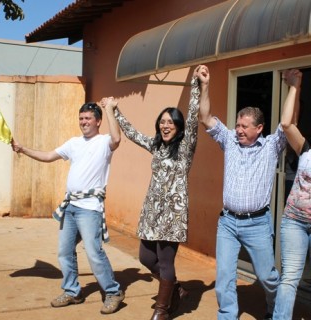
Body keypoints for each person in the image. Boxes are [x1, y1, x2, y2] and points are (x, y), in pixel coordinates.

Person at [100, 66, 201, 320]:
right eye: (162, 122)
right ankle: (175, 289)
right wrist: (115, 111)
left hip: (172, 215)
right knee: (146, 258)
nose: (165, 125)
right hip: (151, 211)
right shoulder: (156, 145)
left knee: (166, 263)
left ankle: (162, 310)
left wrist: (198, 85)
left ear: (178, 127)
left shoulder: (185, 148)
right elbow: (132, 134)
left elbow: (192, 117)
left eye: (170, 122)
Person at [11, 101, 125, 315]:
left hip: (90, 208)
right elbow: (47, 156)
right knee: (64, 252)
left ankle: (113, 292)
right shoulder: (73, 143)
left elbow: (117, 138)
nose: (83, 122)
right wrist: (23, 149)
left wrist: (109, 109)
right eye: (81, 118)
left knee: (94, 252)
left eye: (88, 118)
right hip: (70, 206)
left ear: (98, 121)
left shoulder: (104, 142)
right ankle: (72, 291)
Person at [196, 65, 287, 320]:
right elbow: (205, 117)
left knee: (267, 276)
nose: (239, 130)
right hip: (227, 222)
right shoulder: (230, 142)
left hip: (257, 223)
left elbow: (287, 123)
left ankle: (275, 307)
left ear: (259, 128)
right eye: (237, 124)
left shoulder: (270, 147)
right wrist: (204, 85)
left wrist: (294, 87)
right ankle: (227, 315)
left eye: (245, 126)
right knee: (224, 276)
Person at [273, 69, 308, 320]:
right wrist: (294, 86)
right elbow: (286, 124)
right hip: (295, 221)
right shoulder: (305, 148)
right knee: (290, 278)